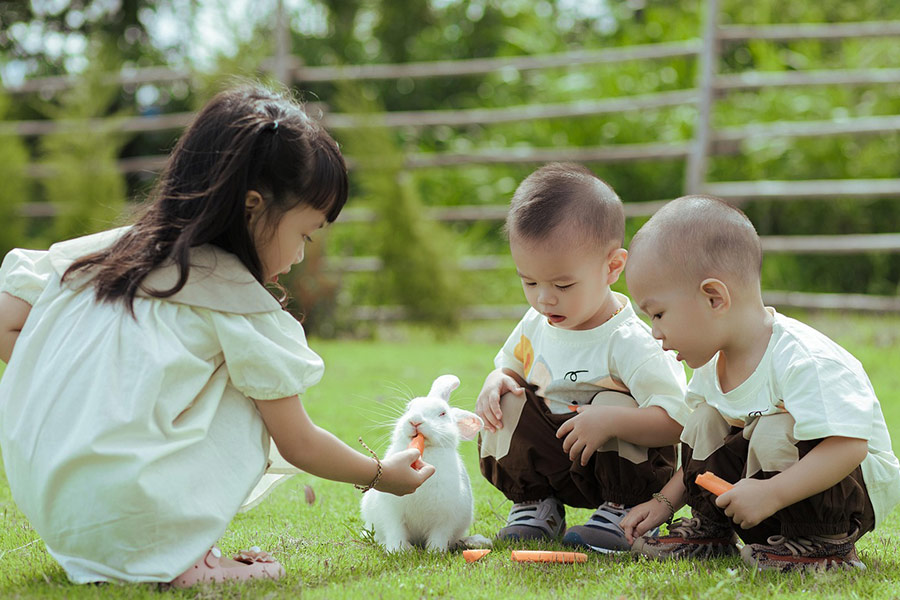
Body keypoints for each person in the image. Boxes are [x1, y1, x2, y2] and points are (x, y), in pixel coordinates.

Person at [0, 84, 433, 587]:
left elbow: (6, 320)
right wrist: (383, 475)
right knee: (252, 385)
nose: (299, 255)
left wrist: (86, 387)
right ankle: (181, 560)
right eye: (305, 234)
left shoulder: (106, 255)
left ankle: (156, 536)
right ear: (252, 206)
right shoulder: (236, 305)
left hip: (60, 513)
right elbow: (300, 442)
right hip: (135, 520)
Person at [621, 195, 900, 572]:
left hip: (843, 495)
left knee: (772, 429)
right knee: (704, 420)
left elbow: (848, 447)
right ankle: (711, 530)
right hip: (767, 496)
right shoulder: (713, 362)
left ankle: (823, 546)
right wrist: (664, 503)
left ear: (714, 297)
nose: (654, 332)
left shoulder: (804, 360)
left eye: (658, 313)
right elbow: (706, 457)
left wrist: (773, 492)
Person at [475, 163, 690, 553]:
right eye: (529, 282)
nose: (544, 299)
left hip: (618, 465)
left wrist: (611, 420)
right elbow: (510, 366)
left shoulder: (630, 342)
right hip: (558, 455)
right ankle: (535, 504)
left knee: (612, 398)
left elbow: (679, 421)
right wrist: (496, 381)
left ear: (612, 267)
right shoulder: (536, 323)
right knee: (507, 395)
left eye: (562, 284)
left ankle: (622, 512)